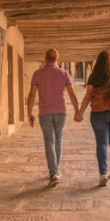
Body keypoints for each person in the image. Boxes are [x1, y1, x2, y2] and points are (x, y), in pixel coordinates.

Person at [74, 51, 110, 187]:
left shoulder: (93, 77)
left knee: (101, 144)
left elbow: (87, 97)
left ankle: (102, 174)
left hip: (98, 114)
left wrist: (80, 113)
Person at [27, 48, 79, 187]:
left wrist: (29, 112)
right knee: (58, 141)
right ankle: (56, 170)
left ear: (45, 59)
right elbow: (72, 94)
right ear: (58, 59)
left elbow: (31, 95)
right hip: (61, 112)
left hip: (45, 113)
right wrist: (77, 111)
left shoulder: (37, 74)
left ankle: (53, 172)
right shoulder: (64, 73)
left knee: (49, 142)